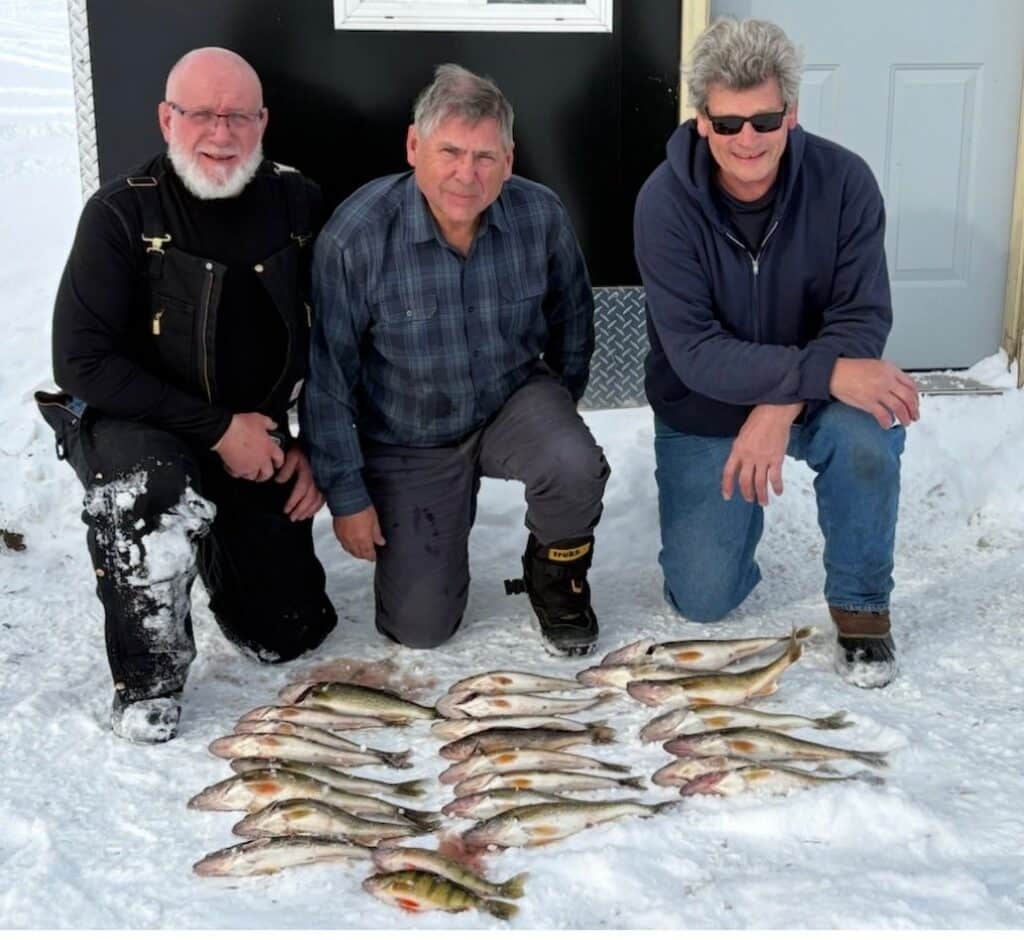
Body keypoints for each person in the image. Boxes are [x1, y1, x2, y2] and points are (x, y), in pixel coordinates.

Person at [37, 47, 337, 743]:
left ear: (263, 122)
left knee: (286, 635)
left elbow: (338, 337)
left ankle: (216, 545)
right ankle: (150, 676)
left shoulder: (298, 202)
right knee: (151, 488)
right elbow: (79, 360)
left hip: (253, 431)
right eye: (201, 114)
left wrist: (316, 446)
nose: (221, 133)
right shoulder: (119, 213)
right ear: (166, 119)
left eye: (238, 116)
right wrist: (218, 430)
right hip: (138, 429)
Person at [634, 18, 920, 688]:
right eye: (728, 123)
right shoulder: (663, 202)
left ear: (791, 112)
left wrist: (779, 405)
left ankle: (861, 606)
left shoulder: (845, 182)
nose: (748, 140)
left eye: (764, 120)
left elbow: (861, 316)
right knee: (703, 598)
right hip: (705, 403)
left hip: (818, 396)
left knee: (867, 433)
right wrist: (803, 380)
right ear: (702, 121)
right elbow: (695, 352)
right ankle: (724, 536)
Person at [304, 64, 608, 657]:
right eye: (449, 152)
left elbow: (574, 319)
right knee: (421, 628)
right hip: (409, 433)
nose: (467, 175)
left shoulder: (540, 215)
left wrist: (555, 416)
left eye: (485, 157)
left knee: (573, 461)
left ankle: (557, 579)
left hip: (509, 400)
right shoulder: (356, 237)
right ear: (413, 147)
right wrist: (348, 497)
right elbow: (327, 380)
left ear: (508, 161)